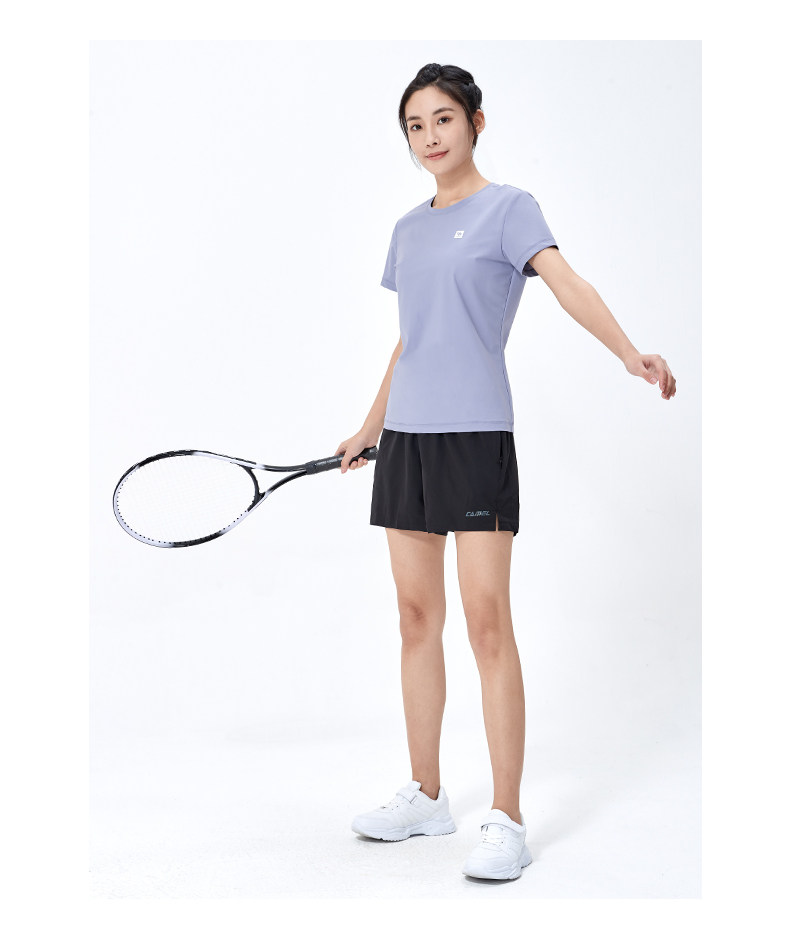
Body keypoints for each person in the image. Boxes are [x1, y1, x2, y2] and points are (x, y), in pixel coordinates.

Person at [334, 62, 677, 882]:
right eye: (415, 126)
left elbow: (566, 283)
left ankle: (508, 817)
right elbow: (412, 338)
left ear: (476, 122)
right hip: (408, 440)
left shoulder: (509, 208)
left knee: (488, 624)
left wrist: (629, 353)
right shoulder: (407, 230)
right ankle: (426, 794)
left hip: (476, 436)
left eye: (443, 119)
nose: (429, 137)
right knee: (416, 618)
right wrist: (370, 425)